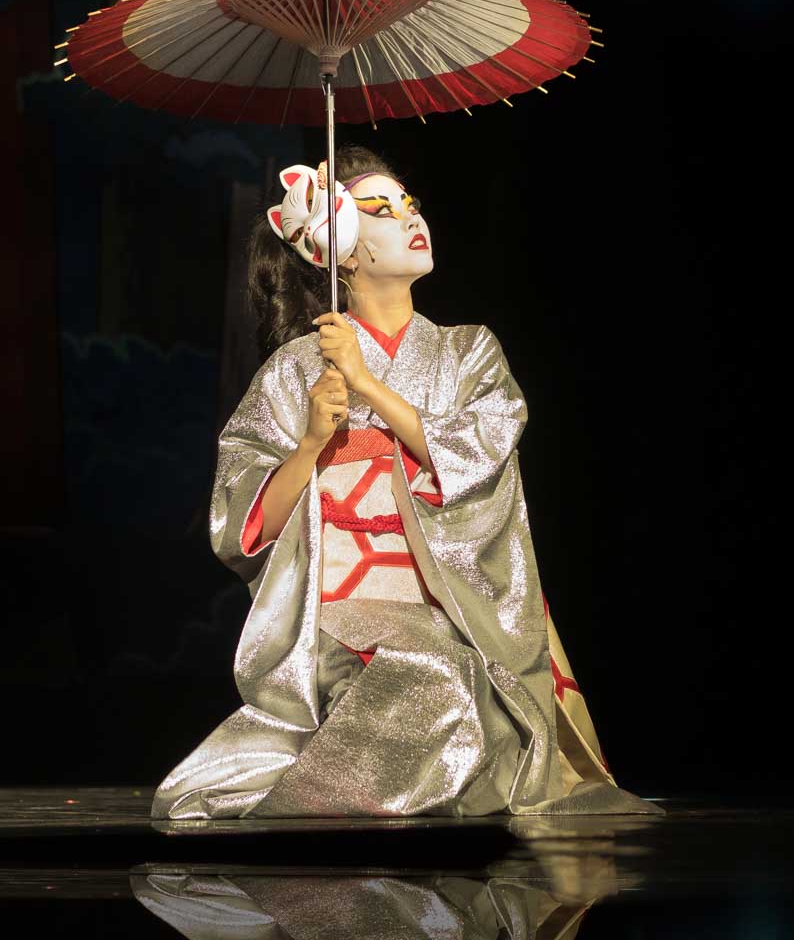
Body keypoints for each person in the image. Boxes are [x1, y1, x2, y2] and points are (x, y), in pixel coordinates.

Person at [151, 144, 662, 819]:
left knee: (469, 690)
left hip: (448, 602)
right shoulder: (296, 370)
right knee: (437, 677)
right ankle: (311, 831)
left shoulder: (468, 350)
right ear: (344, 254)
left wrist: (366, 385)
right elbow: (243, 529)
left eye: (408, 204)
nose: (409, 217)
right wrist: (309, 446)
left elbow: (479, 455)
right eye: (380, 210)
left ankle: (339, 827)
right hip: (338, 609)